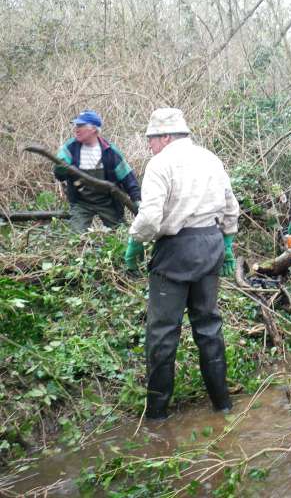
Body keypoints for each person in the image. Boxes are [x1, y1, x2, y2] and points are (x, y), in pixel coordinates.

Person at [124, 108, 240, 420]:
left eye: (151, 139)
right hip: (210, 245)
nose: (149, 145)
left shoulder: (160, 163)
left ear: (164, 136)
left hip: (176, 250)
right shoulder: (210, 158)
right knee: (209, 326)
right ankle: (223, 405)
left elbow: (149, 218)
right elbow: (230, 205)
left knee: (162, 331)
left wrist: (135, 243)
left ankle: (157, 415)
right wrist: (227, 243)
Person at [54, 110, 141, 232]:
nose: (76, 129)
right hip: (81, 202)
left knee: (119, 232)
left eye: (80, 126)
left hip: (108, 202)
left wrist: (137, 199)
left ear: (93, 129)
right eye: (76, 126)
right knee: (76, 236)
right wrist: (60, 169)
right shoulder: (70, 148)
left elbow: (127, 177)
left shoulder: (110, 151)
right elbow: (59, 176)